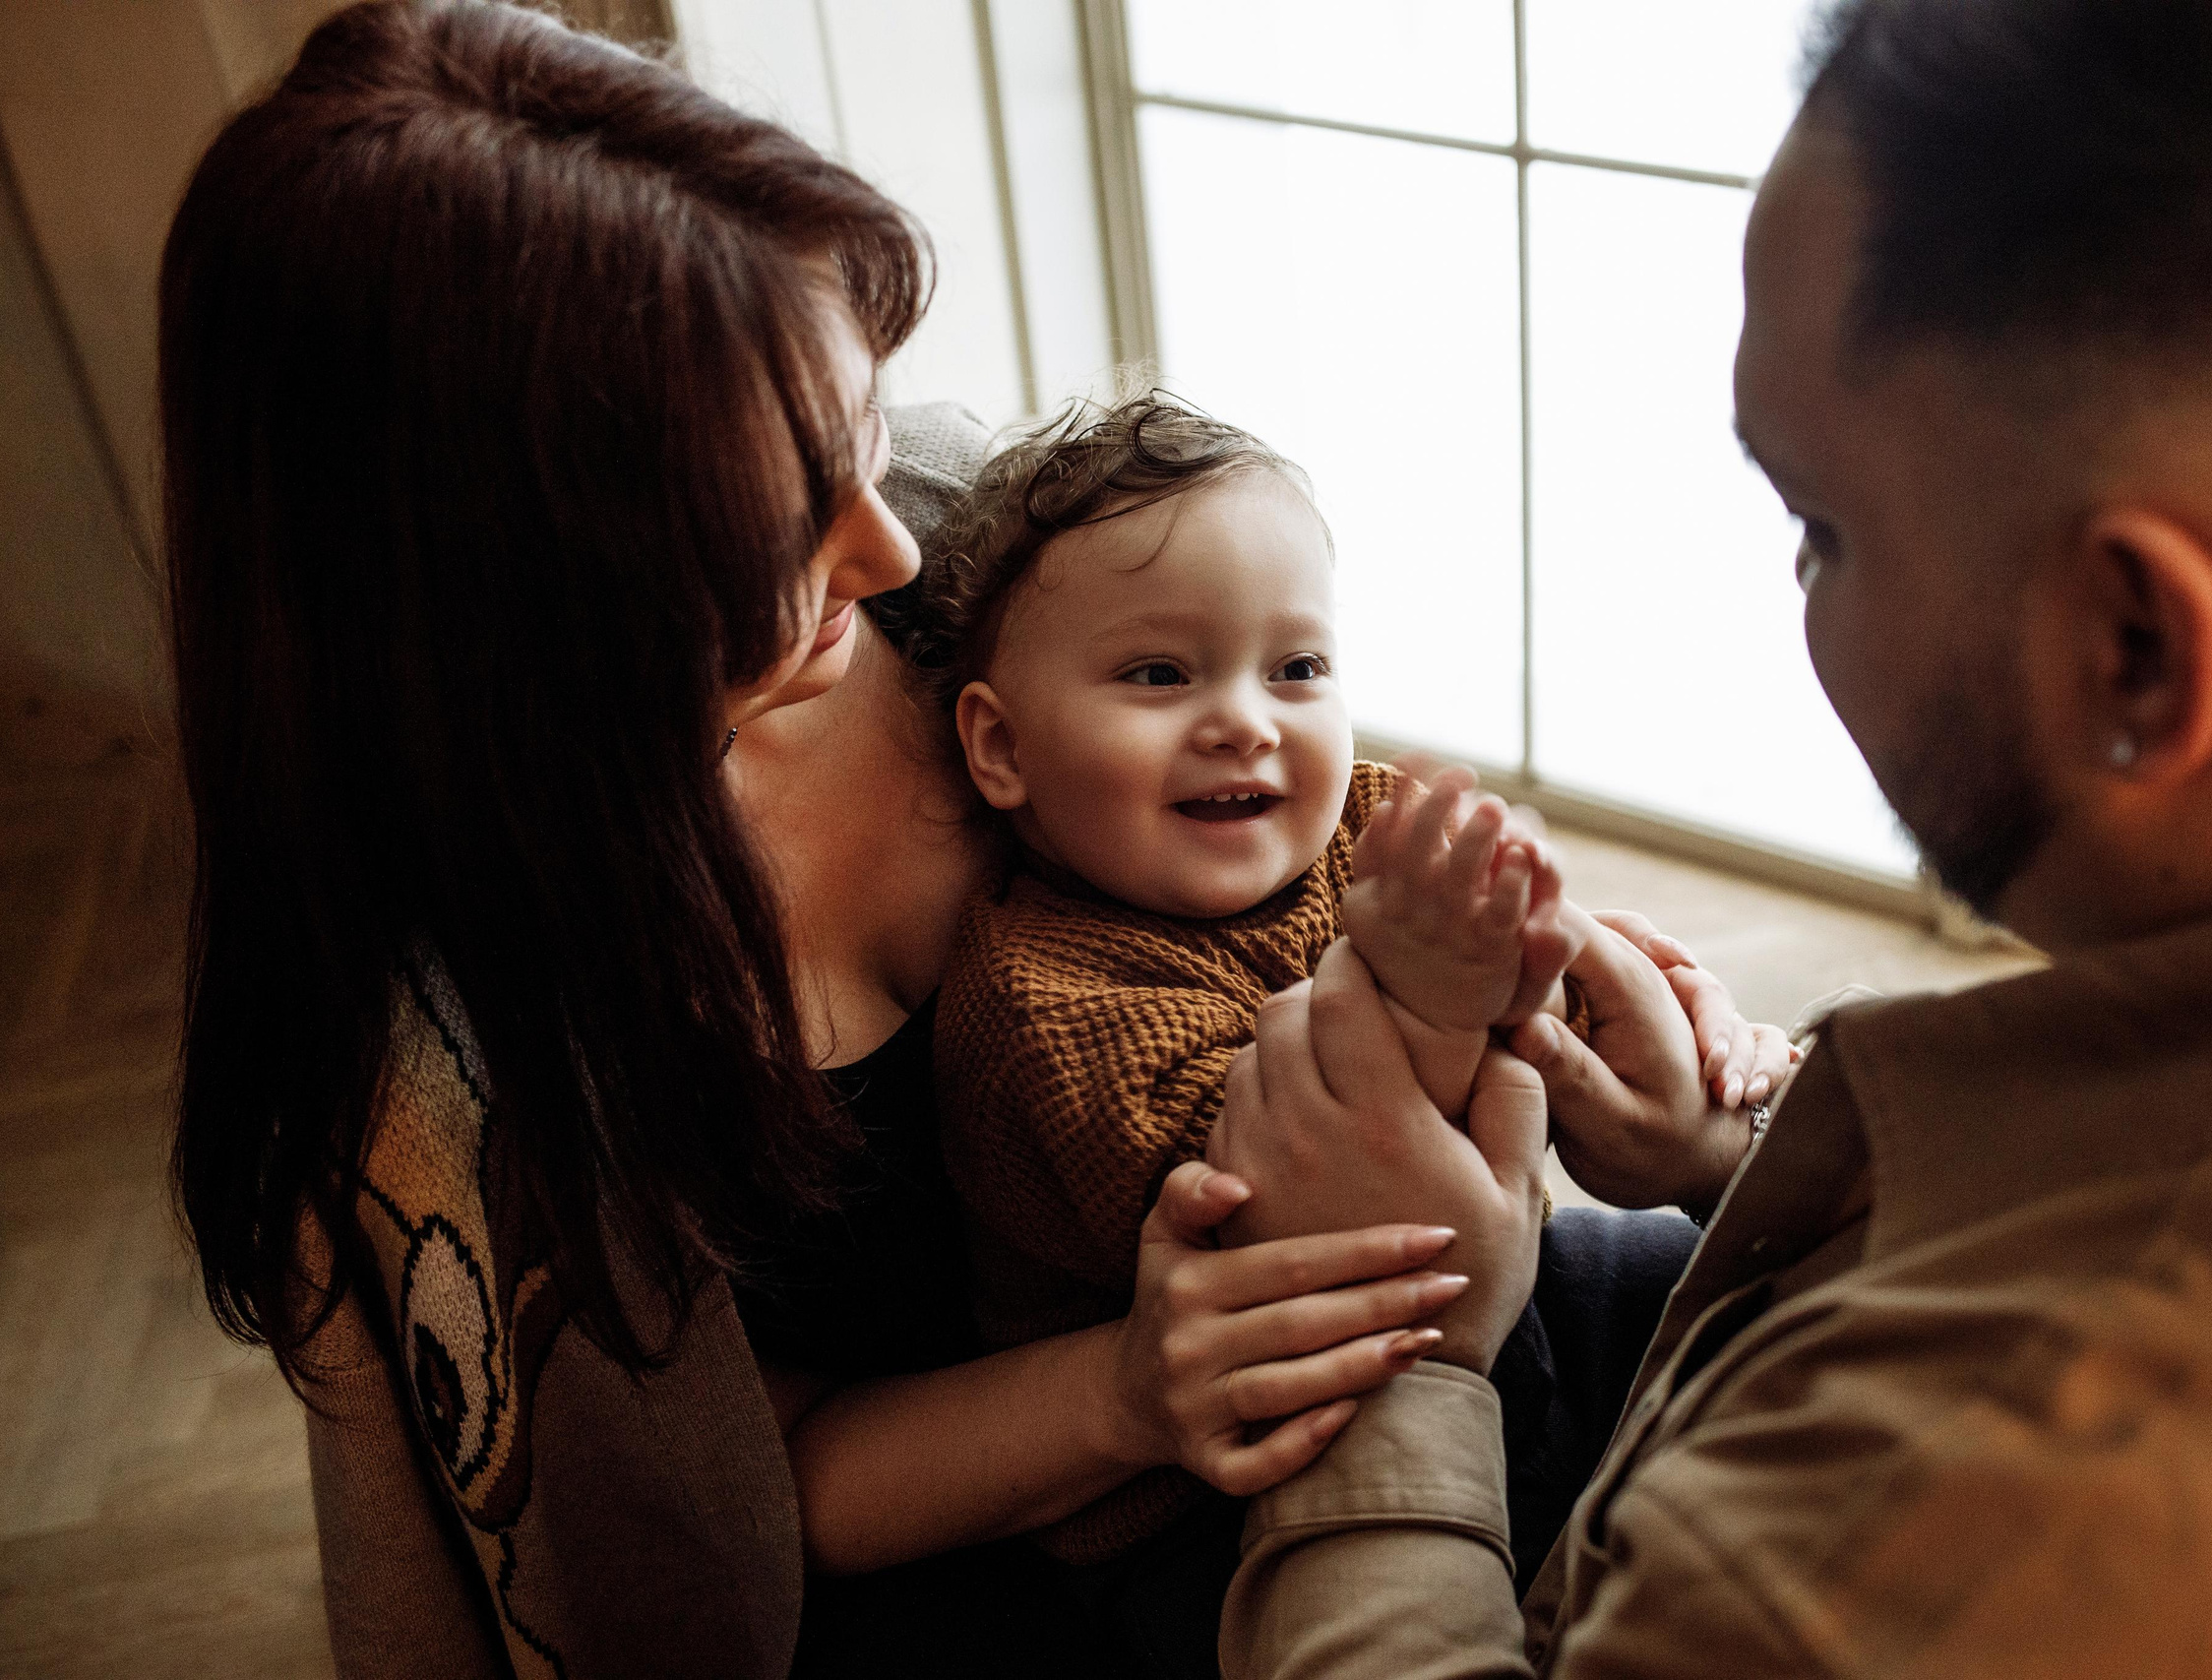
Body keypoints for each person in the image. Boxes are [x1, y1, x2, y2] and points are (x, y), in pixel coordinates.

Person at [159, 6, 1495, 1675]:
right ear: (509, 603)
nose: (878, 549)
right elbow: (750, 1495)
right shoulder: (476, 1057)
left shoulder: (955, 555)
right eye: (777, 523)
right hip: (979, 1558)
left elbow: (1290, 785)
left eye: (854, 441)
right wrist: (1132, 1389)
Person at [1202, 0, 2212, 1674]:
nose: (1793, 585)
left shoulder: (1926, 1538)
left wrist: (1393, 1352)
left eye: (1820, 526)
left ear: (2137, 650)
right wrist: (1744, 1169)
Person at [879, 394, 1792, 1673]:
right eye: (1159, 674)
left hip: (1481, 1298)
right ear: (1000, 745)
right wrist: (1446, 986)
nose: (1247, 720)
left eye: (1297, 668)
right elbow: (1299, 1194)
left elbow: (1531, 965)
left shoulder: (1357, 818)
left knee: (1704, 1286)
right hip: (1229, 1478)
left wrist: (1646, 1015)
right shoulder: (1043, 1005)